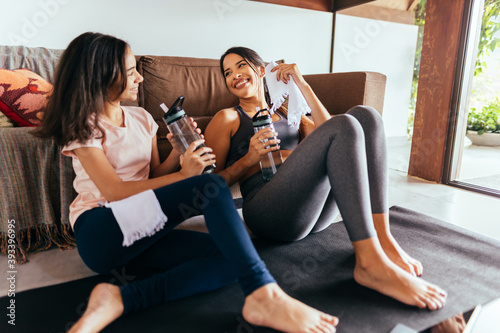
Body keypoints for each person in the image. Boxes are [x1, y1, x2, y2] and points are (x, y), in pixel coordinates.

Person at [33, 33, 339, 333]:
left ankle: (120, 299)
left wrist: (180, 157)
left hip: (145, 229)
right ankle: (264, 294)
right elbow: (114, 191)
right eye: (129, 72)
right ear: (101, 76)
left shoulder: (142, 118)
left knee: (230, 258)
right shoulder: (84, 126)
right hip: (101, 230)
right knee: (212, 187)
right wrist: (183, 176)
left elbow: (152, 177)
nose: (138, 77)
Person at [204, 46, 447, 310]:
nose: (235, 75)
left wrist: (301, 82)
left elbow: (338, 130)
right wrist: (249, 159)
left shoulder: (288, 112)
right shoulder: (227, 118)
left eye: (241, 66)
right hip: (268, 212)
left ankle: (382, 239)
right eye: (228, 72)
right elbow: (209, 185)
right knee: (344, 124)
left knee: (365, 116)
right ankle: (369, 263)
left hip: (311, 211)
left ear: (261, 70)